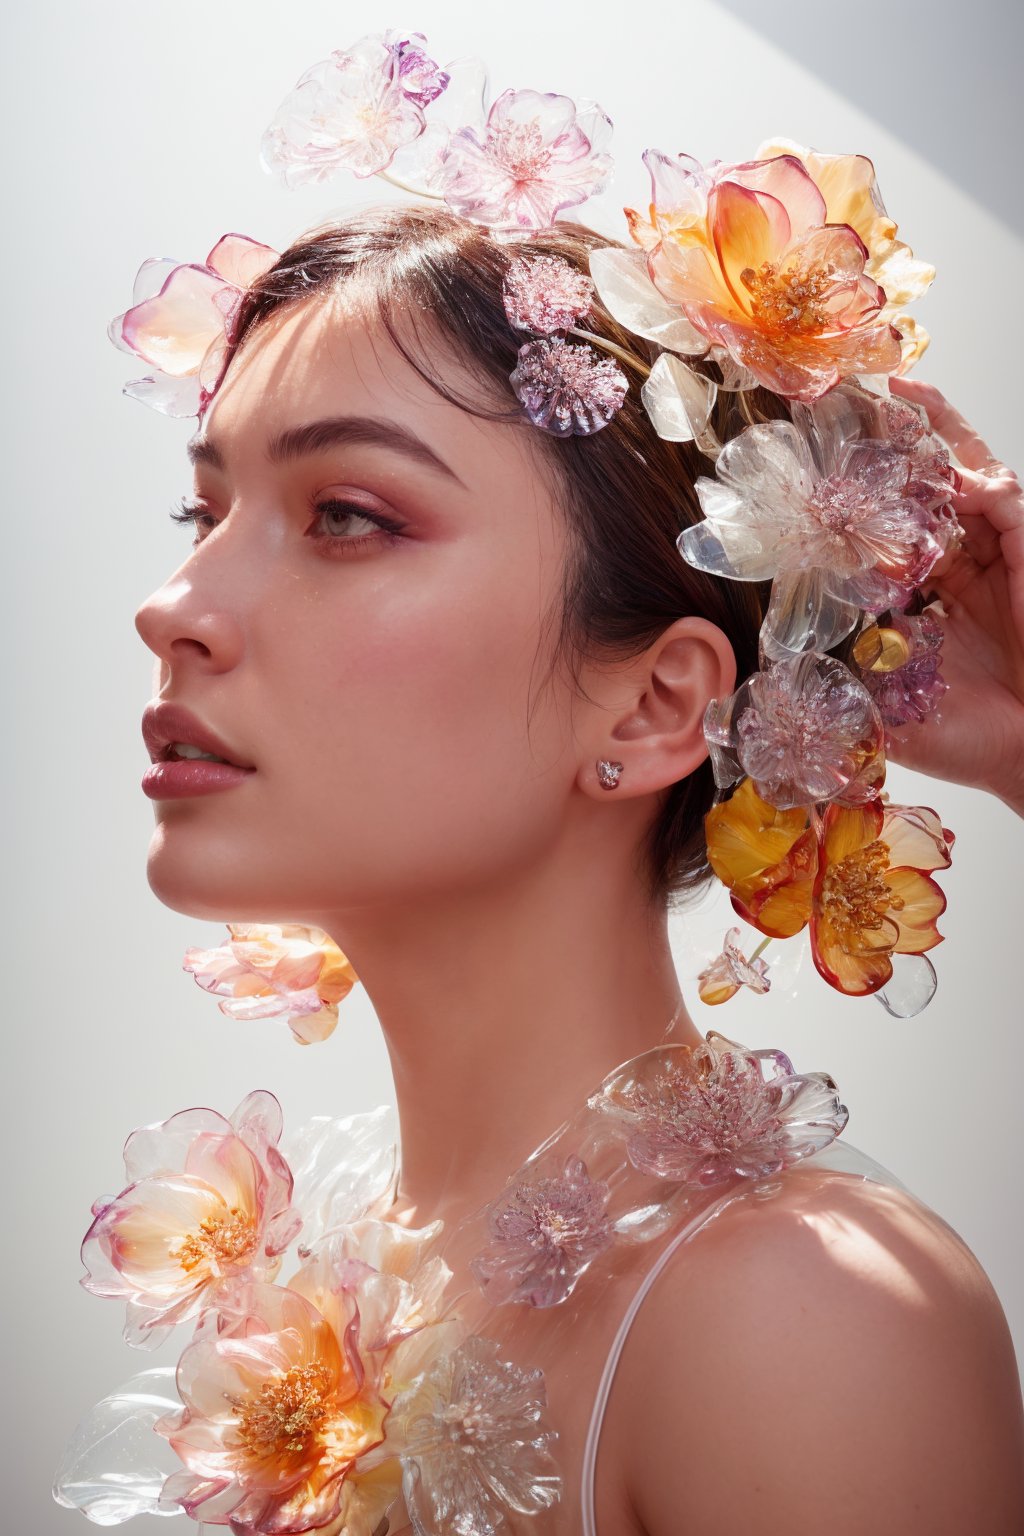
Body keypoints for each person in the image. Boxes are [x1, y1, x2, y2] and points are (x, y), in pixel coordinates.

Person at [55, 36, 1024, 1536]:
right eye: (206, 506)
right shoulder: (354, 1269)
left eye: (348, 516)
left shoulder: (800, 1323)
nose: (172, 600)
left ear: (652, 704)